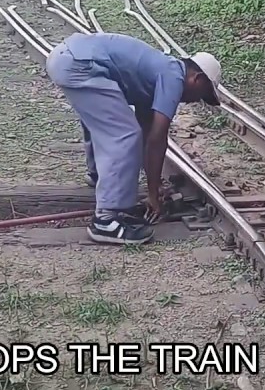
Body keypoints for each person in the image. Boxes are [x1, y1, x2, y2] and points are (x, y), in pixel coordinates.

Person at [46, 32, 222, 245]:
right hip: (81, 64)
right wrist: (153, 195)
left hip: (70, 56)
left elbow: (148, 135)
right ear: (197, 78)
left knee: (110, 121)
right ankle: (106, 220)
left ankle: (99, 177)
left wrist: (154, 187)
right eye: (202, 94)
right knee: (124, 133)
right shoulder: (173, 76)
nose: (196, 101)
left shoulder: (156, 77)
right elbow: (157, 139)